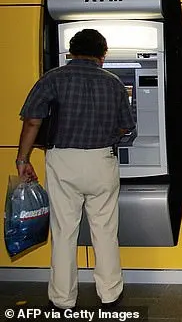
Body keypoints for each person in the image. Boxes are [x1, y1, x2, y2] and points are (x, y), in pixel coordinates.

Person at [16, 29, 135, 310]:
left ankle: (62, 299)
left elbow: (32, 120)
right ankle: (110, 294)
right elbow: (127, 127)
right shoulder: (115, 84)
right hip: (101, 160)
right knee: (105, 230)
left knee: (64, 232)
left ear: (71, 51)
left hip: (63, 161)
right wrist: (110, 136)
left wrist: (23, 159)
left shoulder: (52, 79)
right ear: (102, 55)